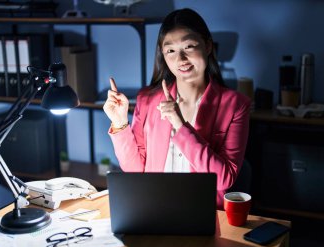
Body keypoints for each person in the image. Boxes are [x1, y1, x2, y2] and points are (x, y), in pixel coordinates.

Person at [103, 8, 251, 209]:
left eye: (189, 46)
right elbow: (135, 171)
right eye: (170, 50)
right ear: (163, 55)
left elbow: (224, 179)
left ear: (207, 46)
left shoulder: (235, 105)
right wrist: (120, 124)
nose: (181, 59)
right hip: (153, 208)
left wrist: (180, 126)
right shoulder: (147, 100)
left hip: (204, 213)